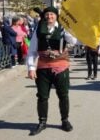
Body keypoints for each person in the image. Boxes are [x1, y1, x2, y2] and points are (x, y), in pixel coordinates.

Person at [27, 7, 77, 135]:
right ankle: (42, 122)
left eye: (52, 14)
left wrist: (68, 29)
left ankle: (65, 120)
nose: (49, 17)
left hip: (61, 66)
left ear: (56, 16)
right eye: (47, 14)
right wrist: (31, 68)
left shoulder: (63, 27)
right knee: (42, 96)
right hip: (43, 67)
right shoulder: (39, 28)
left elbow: (73, 41)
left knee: (63, 95)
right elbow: (32, 50)